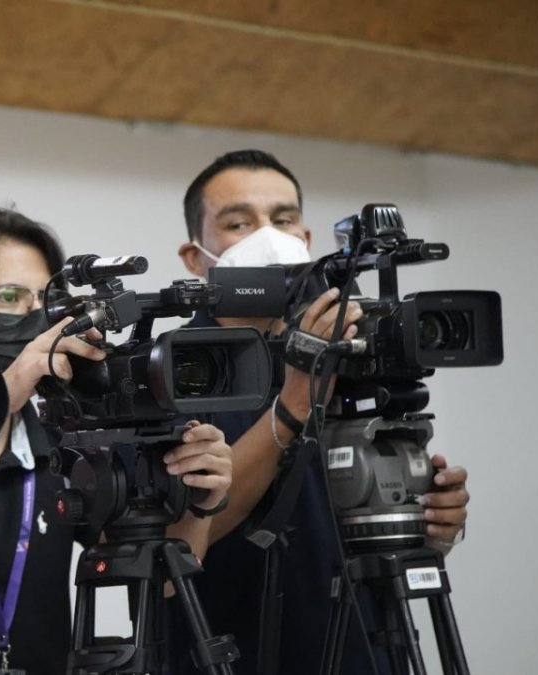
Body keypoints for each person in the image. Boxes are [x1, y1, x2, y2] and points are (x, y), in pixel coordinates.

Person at [169, 149, 472, 675]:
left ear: (306, 239)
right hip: (233, 654)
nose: (269, 236)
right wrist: (294, 403)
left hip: (367, 652)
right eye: (239, 223)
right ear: (195, 258)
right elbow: (177, 545)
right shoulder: (175, 370)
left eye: (283, 219)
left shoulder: (349, 348)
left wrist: (429, 525)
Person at [0, 206, 236, 674]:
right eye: (8, 297)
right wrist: (4, 391)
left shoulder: (61, 432)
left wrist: (201, 501)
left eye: (42, 300)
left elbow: (160, 580)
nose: (32, 316)